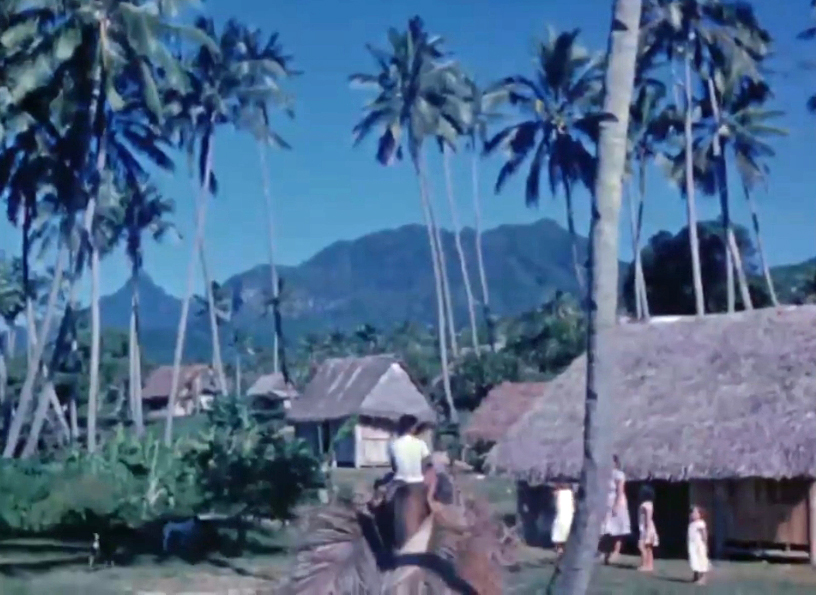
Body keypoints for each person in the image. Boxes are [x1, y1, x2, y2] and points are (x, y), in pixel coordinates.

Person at [387, 414, 431, 550]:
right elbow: (426, 464)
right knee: (431, 508)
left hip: (399, 482)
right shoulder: (421, 444)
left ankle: (390, 541)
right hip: (417, 482)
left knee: (385, 506)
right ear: (412, 428)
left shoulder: (393, 444)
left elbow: (394, 467)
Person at [601, 455, 631, 564]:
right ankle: (605, 551)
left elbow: (620, 490)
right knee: (606, 528)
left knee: (618, 528)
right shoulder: (604, 474)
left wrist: (617, 505)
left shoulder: (618, 474)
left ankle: (616, 552)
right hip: (607, 501)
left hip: (617, 501)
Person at [637, 484, 659, 572]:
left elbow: (648, 518)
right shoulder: (649, 504)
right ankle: (649, 565)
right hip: (647, 527)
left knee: (642, 546)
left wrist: (647, 530)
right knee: (648, 548)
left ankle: (645, 564)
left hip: (647, 528)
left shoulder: (646, 505)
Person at [551, 483, 574, 558]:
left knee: (559, 538)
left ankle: (560, 553)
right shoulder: (570, 493)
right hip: (568, 517)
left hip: (562, 518)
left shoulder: (559, 493)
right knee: (564, 538)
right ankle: (562, 553)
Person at [688, 505, 710, 585]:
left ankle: (703, 577)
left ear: (700, 515)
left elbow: (704, 534)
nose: (692, 514)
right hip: (692, 545)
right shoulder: (692, 524)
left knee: (700, 560)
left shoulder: (701, 523)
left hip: (699, 545)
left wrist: (705, 543)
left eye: (694, 513)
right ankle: (695, 575)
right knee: (694, 560)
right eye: (692, 513)